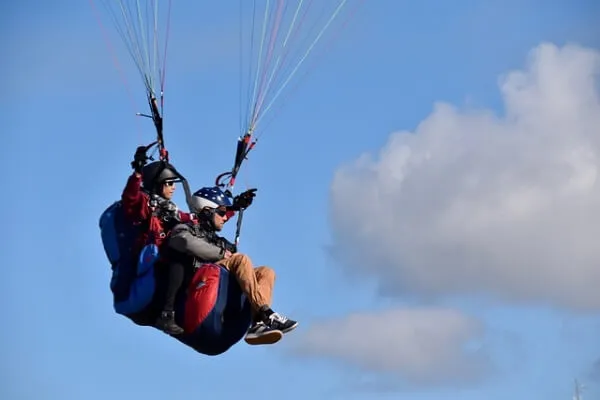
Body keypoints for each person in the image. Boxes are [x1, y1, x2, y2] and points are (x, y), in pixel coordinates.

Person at [166, 185, 298, 344]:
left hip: (218, 278)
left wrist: (236, 206)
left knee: (266, 272)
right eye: (221, 213)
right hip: (199, 279)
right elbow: (184, 241)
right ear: (207, 212)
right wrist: (221, 253)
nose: (224, 217)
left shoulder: (215, 238)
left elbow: (223, 221)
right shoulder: (187, 228)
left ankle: (258, 323)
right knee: (241, 259)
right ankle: (267, 313)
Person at [121, 145, 195, 334]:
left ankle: (183, 307)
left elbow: (195, 219)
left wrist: (229, 210)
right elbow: (130, 200)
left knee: (192, 253)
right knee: (180, 258)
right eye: (169, 183)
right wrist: (137, 174)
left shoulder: (170, 209)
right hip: (149, 259)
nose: (173, 187)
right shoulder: (145, 204)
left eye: (173, 183)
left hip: (163, 257)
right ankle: (166, 315)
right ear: (158, 184)